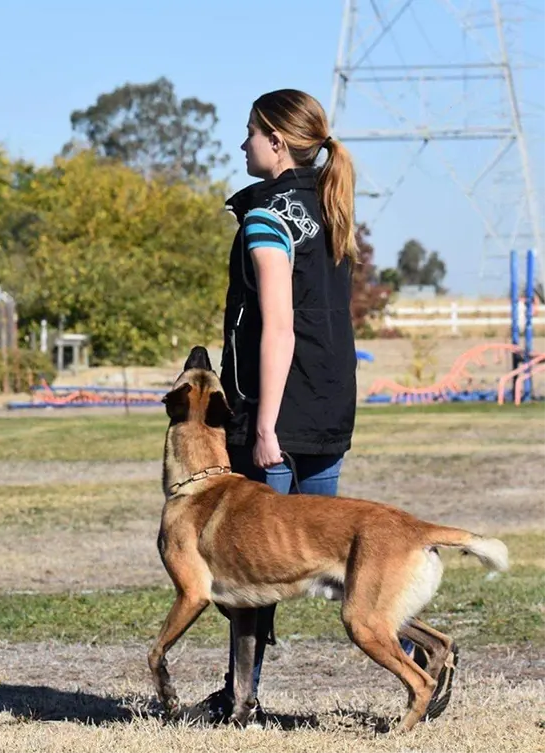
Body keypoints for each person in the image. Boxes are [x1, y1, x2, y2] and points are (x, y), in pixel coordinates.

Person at [206, 88, 417, 721]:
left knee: (253, 561)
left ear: (276, 141)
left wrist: (264, 423)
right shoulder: (329, 209)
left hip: (280, 412)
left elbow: (278, 326)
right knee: (331, 559)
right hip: (329, 409)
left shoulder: (269, 215)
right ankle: (418, 653)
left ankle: (241, 697)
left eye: (249, 133)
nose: (241, 144)